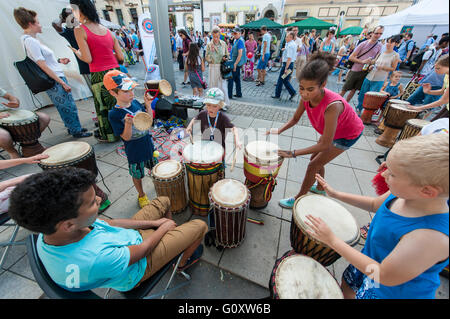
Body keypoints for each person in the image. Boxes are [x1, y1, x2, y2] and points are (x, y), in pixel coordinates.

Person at [8, 167, 208, 292]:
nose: (99, 199)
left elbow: (109, 225)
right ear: (68, 224)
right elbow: (142, 251)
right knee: (200, 225)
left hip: (126, 242)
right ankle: (180, 263)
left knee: (163, 201)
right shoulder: (95, 258)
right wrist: (163, 230)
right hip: (138, 266)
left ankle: (172, 246)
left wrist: (157, 224)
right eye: (92, 203)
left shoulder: (54, 232)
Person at [306, 133, 449, 299]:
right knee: (348, 287)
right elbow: (375, 204)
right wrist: (336, 194)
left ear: (427, 191)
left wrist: (332, 240)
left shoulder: (430, 237)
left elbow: (384, 275)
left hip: (390, 291)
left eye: (393, 174)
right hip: (369, 262)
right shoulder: (406, 194)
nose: (383, 175)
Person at [268, 52, 364, 209]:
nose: (305, 93)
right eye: (301, 88)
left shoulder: (333, 105)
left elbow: (325, 145)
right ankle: (320, 189)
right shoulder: (305, 97)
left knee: (313, 164)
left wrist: (291, 153)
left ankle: (298, 198)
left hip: (348, 134)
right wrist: (278, 131)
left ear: (323, 85)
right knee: (316, 157)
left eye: (310, 89)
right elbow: (295, 119)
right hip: (333, 131)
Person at [13, 7, 91, 139]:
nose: (40, 25)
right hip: (54, 79)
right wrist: (61, 82)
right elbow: (42, 64)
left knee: (65, 105)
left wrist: (59, 60)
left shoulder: (29, 39)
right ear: (31, 24)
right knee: (67, 106)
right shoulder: (30, 41)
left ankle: (73, 127)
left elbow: (42, 61)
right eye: (37, 22)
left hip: (54, 76)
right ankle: (75, 130)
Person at [69, 0, 124, 143]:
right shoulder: (107, 30)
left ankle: (111, 135)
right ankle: (125, 131)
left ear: (78, 11)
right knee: (120, 102)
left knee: (103, 106)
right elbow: (121, 57)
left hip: (100, 74)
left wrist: (77, 52)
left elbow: (87, 58)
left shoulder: (80, 29)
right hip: (116, 71)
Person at [104, 71, 154, 208]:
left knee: (154, 166)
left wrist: (148, 106)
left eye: (132, 89)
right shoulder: (114, 114)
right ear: (113, 93)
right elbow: (125, 137)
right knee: (137, 174)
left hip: (147, 143)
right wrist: (127, 124)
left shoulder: (136, 103)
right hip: (134, 151)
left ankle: (158, 183)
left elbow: (148, 121)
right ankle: (141, 195)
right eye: (126, 91)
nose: (131, 94)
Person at [356, 35, 401, 114]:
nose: (388, 44)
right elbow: (375, 62)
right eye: (388, 42)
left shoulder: (395, 55)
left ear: (396, 44)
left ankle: (366, 114)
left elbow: (393, 68)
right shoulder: (381, 52)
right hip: (370, 75)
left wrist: (383, 67)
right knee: (363, 94)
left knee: (372, 97)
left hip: (379, 78)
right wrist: (371, 65)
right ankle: (359, 109)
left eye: (391, 42)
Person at [186, 88, 241, 153]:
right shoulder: (202, 113)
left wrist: (237, 140)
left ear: (220, 106)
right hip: (205, 146)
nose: (210, 108)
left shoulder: (223, 117)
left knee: (219, 162)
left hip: (219, 149)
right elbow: (194, 119)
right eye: (208, 105)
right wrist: (189, 126)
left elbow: (234, 128)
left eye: (214, 106)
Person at [0, 89, 50, 159]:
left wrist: (15, 101)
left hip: (6, 113)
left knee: (44, 118)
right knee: (3, 136)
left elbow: (9, 97)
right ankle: (12, 152)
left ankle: (29, 144)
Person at [52, 7, 92, 94]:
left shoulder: (84, 27)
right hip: (86, 66)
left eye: (73, 14)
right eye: (69, 15)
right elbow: (55, 24)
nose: (73, 16)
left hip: (98, 63)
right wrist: (62, 18)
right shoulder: (69, 32)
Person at [340, 26, 384, 103]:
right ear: (372, 33)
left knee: (354, 90)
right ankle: (335, 103)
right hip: (355, 70)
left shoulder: (379, 45)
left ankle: (345, 105)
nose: (378, 35)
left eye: (380, 34)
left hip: (365, 71)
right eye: (376, 33)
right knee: (344, 89)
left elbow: (376, 59)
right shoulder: (363, 44)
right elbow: (351, 57)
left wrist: (372, 64)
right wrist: (362, 61)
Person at [409, 55, 449, 121]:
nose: (435, 71)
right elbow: (442, 91)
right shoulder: (446, 76)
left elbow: (444, 100)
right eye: (434, 68)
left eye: (438, 68)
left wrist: (420, 108)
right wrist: (428, 91)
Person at [205, 26, 230, 109]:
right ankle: (213, 104)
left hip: (222, 67)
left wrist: (225, 57)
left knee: (223, 86)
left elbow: (227, 54)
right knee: (213, 85)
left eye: (217, 36)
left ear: (220, 35)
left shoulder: (223, 43)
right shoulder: (209, 45)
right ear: (212, 35)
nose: (216, 38)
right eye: (214, 37)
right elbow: (207, 58)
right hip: (213, 67)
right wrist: (211, 54)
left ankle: (223, 104)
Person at [271, 32, 297, 101]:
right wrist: (284, 49)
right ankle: (292, 92)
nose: (286, 38)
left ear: (291, 37)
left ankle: (278, 94)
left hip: (287, 65)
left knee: (281, 80)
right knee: (284, 80)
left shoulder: (290, 45)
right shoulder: (291, 44)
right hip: (289, 65)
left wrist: (286, 68)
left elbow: (289, 58)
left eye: (287, 37)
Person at [227, 27, 246, 100]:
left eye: (235, 33)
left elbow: (240, 54)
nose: (234, 35)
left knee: (231, 79)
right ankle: (239, 93)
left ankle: (229, 95)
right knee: (237, 78)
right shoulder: (237, 40)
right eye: (233, 33)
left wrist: (235, 64)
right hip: (234, 62)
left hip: (235, 63)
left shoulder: (240, 41)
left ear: (240, 33)